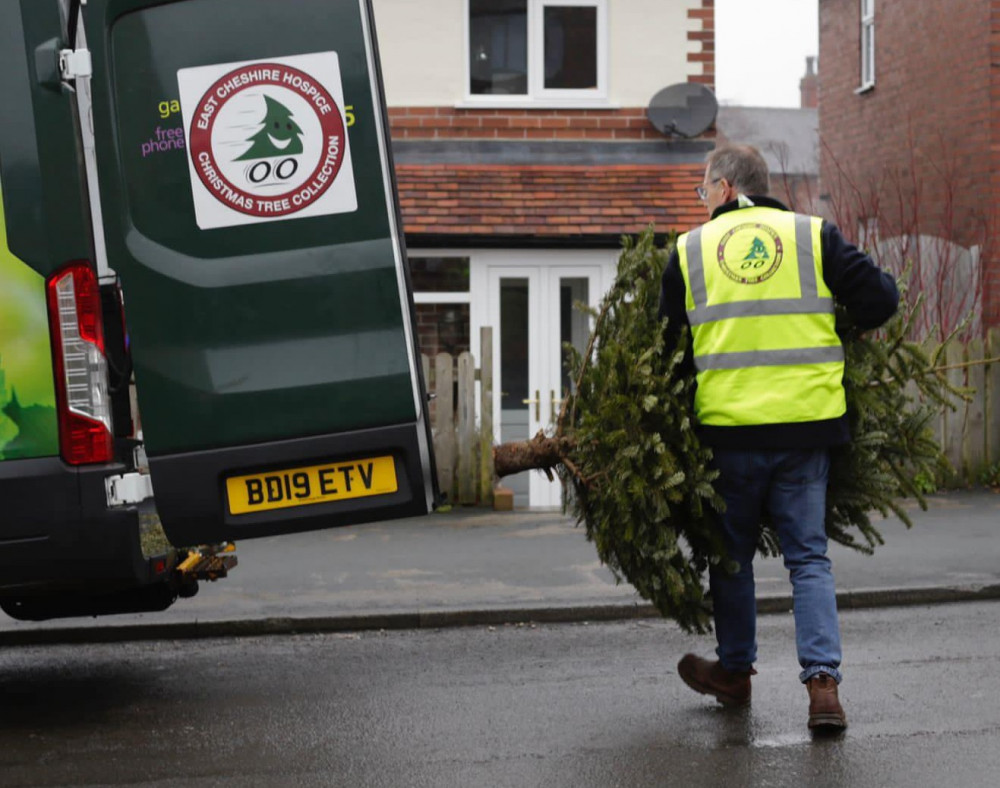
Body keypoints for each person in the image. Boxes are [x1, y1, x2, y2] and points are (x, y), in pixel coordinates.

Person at [658, 144, 899, 733]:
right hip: (805, 430)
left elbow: (665, 353)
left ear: (724, 188)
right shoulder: (812, 236)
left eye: (703, 189)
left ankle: (736, 673)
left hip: (729, 434)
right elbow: (882, 298)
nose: (702, 200)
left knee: (732, 559)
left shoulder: (690, 251)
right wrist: (840, 328)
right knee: (808, 559)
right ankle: (823, 687)